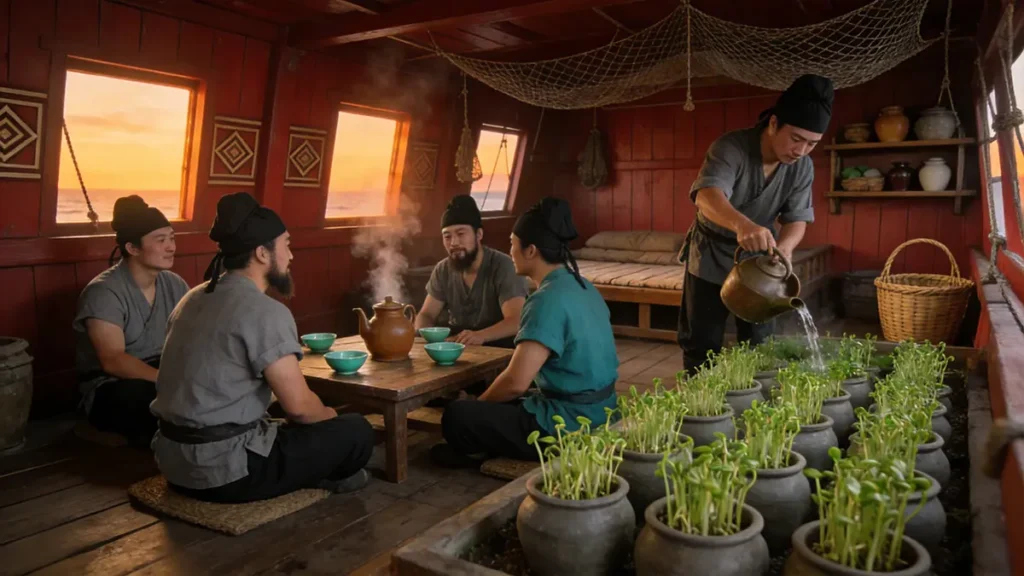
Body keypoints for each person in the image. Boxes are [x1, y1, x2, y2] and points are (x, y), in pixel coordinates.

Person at [150, 192, 374, 503]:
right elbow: (299, 407)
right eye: (287, 245)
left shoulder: (192, 297)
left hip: (172, 461)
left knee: (290, 422)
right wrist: (331, 419)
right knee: (356, 432)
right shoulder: (264, 311)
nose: (291, 256)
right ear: (262, 253)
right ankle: (322, 471)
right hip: (225, 472)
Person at [430, 198, 619, 467]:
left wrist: (479, 405)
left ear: (530, 251)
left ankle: (479, 448)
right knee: (507, 404)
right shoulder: (583, 285)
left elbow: (516, 382)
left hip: (569, 423)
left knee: (458, 416)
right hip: (604, 409)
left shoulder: (545, 299)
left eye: (512, 243)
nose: (510, 250)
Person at [678, 74, 834, 374]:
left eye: (812, 144)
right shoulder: (731, 147)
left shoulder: (802, 166)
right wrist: (742, 226)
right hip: (711, 253)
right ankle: (697, 405)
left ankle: (751, 403)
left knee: (760, 343)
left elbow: (798, 218)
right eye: (796, 139)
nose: (801, 151)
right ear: (773, 124)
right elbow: (706, 196)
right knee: (702, 342)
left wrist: (786, 247)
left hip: (762, 259)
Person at [73, 196, 188, 448]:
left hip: (163, 373)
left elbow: (194, 336)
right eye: (161, 240)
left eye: (172, 238)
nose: (171, 247)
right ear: (133, 248)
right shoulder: (104, 292)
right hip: (114, 384)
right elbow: (113, 360)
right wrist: (168, 380)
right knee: (155, 401)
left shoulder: (174, 284)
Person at [415, 195, 529, 349]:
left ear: (479, 235)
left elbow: (516, 320)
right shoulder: (443, 269)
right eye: (447, 236)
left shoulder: (503, 266)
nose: (454, 242)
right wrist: (429, 337)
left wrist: (480, 336)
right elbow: (426, 315)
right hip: (457, 350)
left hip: (499, 352)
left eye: (461, 234)